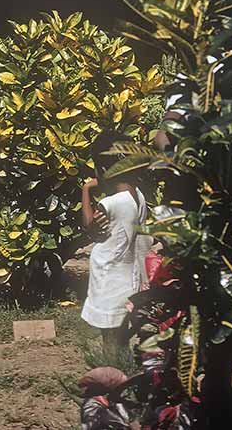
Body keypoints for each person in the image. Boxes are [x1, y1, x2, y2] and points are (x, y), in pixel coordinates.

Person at [80, 135, 152, 356]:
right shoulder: (137, 196)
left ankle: (113, 371)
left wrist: (85, 190)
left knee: (109, 336)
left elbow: (90, 227)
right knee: (120, 330)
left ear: (102, 168)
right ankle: (123, 365)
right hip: (128, 274)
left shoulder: (110, 203)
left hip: (109, 275)